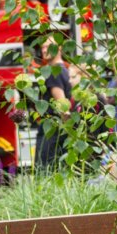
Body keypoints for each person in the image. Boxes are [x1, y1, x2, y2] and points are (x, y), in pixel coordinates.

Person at [35, 34, 72, 167]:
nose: (44, 50)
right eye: (43, 47)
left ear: (59, 48)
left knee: (45, 170)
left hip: (51, 131)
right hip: (59, 130)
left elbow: (63, 105)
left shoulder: (52, 72)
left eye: (48, 46)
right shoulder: (65, 70)